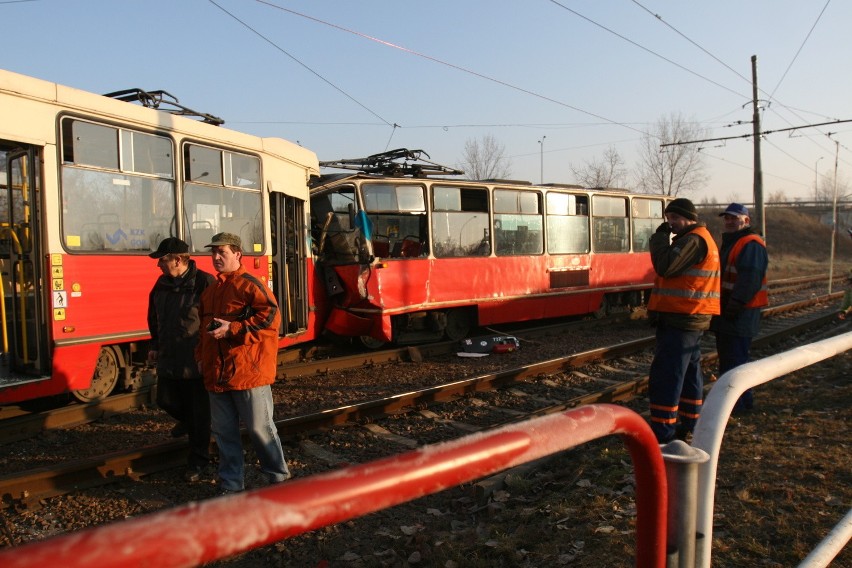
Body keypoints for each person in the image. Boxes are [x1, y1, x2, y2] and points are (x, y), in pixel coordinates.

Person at [195, 232, 291, 494]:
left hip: (249, 372)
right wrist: (201, 358)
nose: (215, 257)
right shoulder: (211, 292)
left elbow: (271, 320)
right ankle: (232, 484)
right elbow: (203, 331)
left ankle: (278, 479)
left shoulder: (250, 286)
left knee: (260, 429)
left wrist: (233, 328)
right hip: (218, 373)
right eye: (213, 252)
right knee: (225, 434)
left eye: (222, 252)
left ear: (238, 254)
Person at [647, 198, 721, 444]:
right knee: (689, 374)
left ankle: (662, 432)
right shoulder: (696, 238)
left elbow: (664, 266)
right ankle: (692, 423)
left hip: (682, 318)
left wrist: (658, 240)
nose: (671, 224)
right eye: (668, 219)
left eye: (675, 218)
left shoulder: (693, 240)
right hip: (687, 317)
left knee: (668, 375)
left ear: (690, 218)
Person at [147, 237, 215, 481]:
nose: (159, 265)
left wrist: (208, 354)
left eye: (162, 260)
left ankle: (198, 462)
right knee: (165, 400)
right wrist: (155, 344)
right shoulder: (162, 283)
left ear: (178, 259)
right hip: (168, 355)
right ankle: (190, 423)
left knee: (199, 413)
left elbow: (214, 321)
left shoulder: (205, 282)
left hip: (194, 360)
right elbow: (153, 315)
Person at [710, 203, 768, 412]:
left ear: (746, 220)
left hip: (739, 313)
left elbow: (750, 278)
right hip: (730, 312)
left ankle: (739, 406)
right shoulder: (734, 242)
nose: (729, 221)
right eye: (727, 218)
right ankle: (739, 404)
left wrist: (735, 305)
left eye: (734, 218)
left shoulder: (750, 244)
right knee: (732, 361)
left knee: (735, 363)